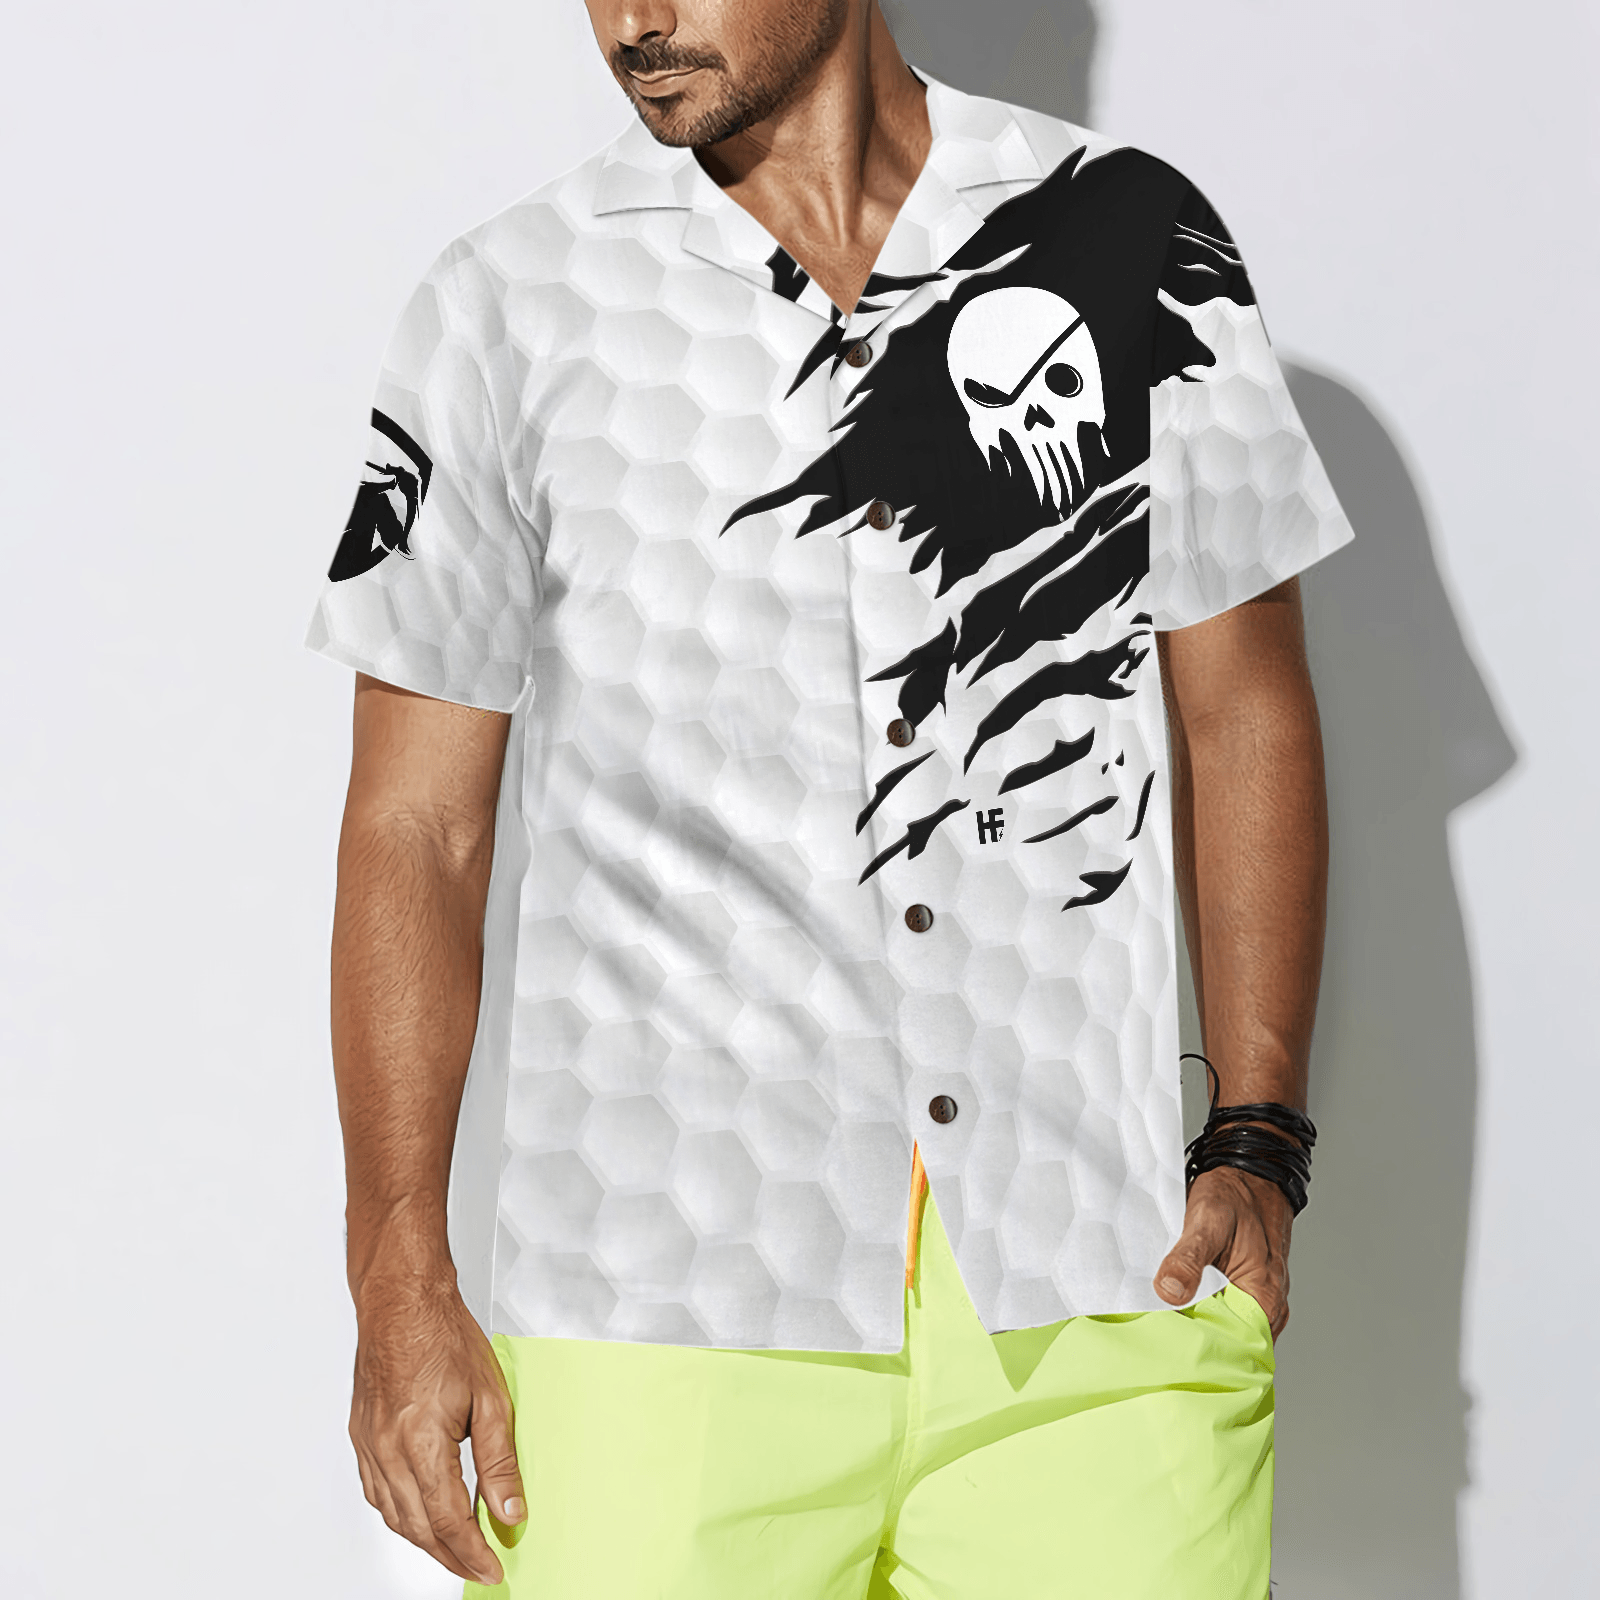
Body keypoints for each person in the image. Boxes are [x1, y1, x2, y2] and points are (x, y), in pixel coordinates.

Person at [308, 1, 1351, 1594]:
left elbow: (1245, 699)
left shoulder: (1131, 239)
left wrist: (1260, 1137)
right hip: (658, 1321)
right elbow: (417, 826)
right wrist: (397, 1278)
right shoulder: (509, 306)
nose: (634, 20)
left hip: (1101, 1290)